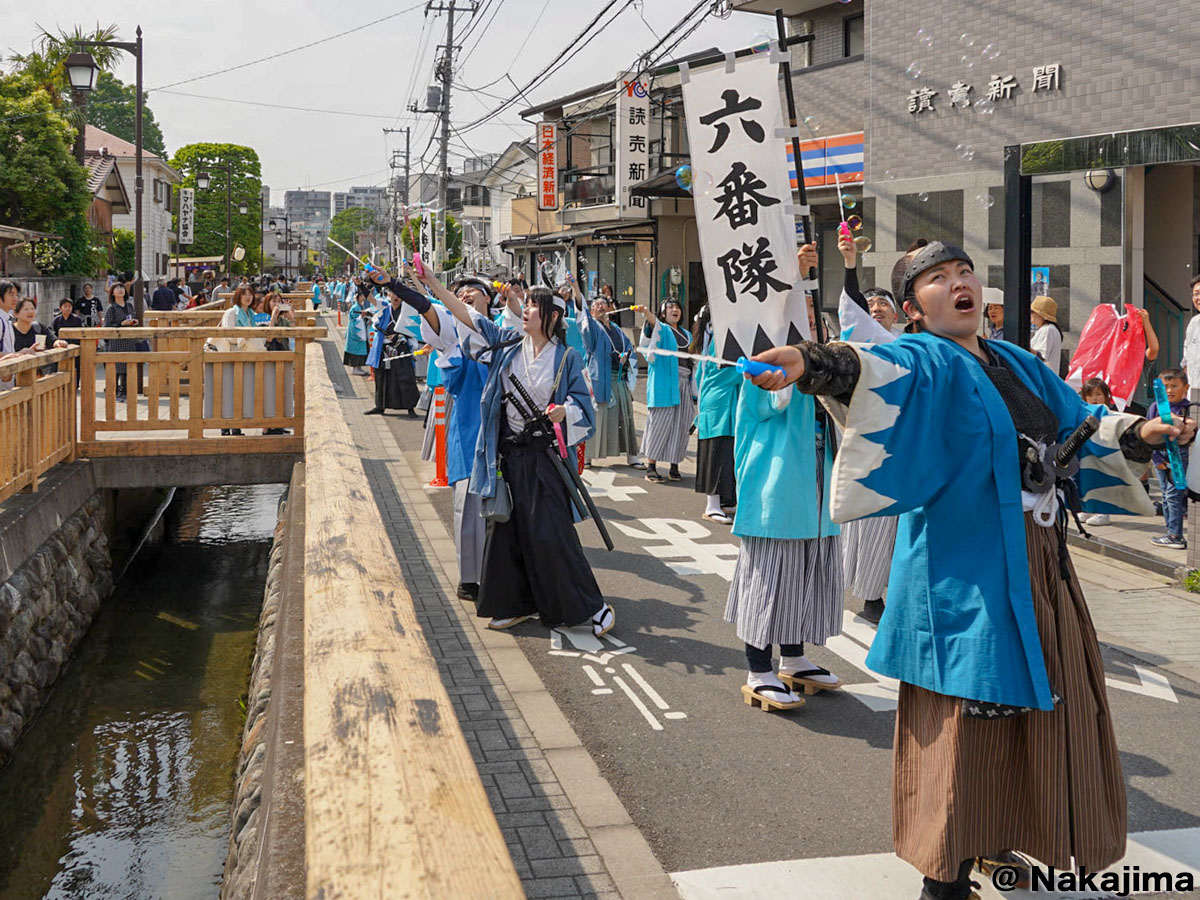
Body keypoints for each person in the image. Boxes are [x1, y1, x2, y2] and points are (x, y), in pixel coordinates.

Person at [746, 240, 1194, 900]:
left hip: (1039, 564)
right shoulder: (924, 356)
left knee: (1037, 715)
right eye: (937, 278)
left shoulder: (1014, 359)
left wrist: (1138, 433)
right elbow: (869, 367)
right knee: (965, 727)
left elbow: (1079, 422)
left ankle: (998, 837)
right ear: (913, 309)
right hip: (964, 571)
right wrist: (811, 363)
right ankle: (944, 877)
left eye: (963, 272)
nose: (959, 283)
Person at [385, 263, 614, 636]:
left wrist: (562, 411)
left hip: (545, 459)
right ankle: (516, 604)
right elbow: (465, 315)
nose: (525, 309)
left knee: (551, 533)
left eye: (534, 305)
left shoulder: (567, 358)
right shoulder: (506, 345)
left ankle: (592, 606)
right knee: (506, 531)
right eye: (525, 305)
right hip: (508, 455)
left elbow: (582, 407)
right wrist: (432, 285)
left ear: (553, 316)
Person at [836, 234, 901, 625]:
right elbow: (853, 314)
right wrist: (849, 267)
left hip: (905, 446)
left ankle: (892, 590)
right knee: (870, 524)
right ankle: (871, 594)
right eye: (870, 304)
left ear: (899, 315)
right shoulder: (864, 343)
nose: (876, 309)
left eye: (883, 304)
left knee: (898, 527)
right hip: (868, 443)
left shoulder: (910, 345)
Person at [417, 274, 493, 601]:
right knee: (469, 508)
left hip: (504, 437)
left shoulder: (504, 332)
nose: (465, 294)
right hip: (468, 431)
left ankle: (502, 573)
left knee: (502, 510)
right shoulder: (455, 341)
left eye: (472, 290)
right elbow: (431, 315)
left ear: (489, 298)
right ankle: (471, 578)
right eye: (458, 293)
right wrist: (420, 287)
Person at [579, 286, 642, 468]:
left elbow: (630, 347)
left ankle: (632, 456)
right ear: (591, 311)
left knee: (626, 418)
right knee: (598, 417)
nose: (601, 306)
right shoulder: (592, 328)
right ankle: (589, 456)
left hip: (619, 379)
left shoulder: (617, 329)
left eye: (604, 304)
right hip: (602, 380)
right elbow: (585, 328)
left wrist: (627, 356)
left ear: (610, 309)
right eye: (596, 304)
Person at [691, 304, 738, 523]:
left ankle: (725, 503)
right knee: (716, 455)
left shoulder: (714, 339)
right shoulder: (721, 341)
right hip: (719, 404)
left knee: (724, 454)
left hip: (719, 403)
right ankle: (712, 506)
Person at [638, 298, 693, 483]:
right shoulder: (660, 328)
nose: (675, 310)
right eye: (670, 307)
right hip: (664, 382)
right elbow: (653, 328)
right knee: (659, 423)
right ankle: (651, 466)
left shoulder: (687, 334)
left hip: (684, 382)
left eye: (677, 307)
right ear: (662, 312)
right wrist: (646, 313)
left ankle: (674, 465)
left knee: (681, 424)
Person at [364, 285, 421, 417]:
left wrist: (400, 335)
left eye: (399, 295)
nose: (396, 297)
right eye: (394, 294)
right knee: (381, 377)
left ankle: (410, 407)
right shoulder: (383, 307)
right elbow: (371, 299)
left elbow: (413, 331)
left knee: (405, 377)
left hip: (401, 347)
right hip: (383, 348)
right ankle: (380, 406)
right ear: (389, 295)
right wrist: (360, 286)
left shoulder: (407, 311)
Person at [1150, 367, 1190, 551]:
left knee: (1174, 496)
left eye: (1174, 386)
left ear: (1186, 387)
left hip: (1179, 458)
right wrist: (1157, 459)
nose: (1169, 390)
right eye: (1165, 386)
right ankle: (1170, 531)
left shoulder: (1188, 408)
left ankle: (1175, 535)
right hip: (1160, 458)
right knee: (1166, 496)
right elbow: (1148, 436)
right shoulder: (1155, 407)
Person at [102, 281, 141, 399]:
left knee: (128, 367)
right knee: (116, 368)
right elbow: (107, 326)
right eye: (117, 288)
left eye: (122, 288)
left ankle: (126, 390)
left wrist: (134, 323)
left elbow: (132, 317)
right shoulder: (111, 308)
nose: (120, 290)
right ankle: (113, 391)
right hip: (116, 342)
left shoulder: (129, 306)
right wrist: (120, 324)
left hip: (129, 340)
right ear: (112, 293)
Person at [1029, 295, 1063, 373]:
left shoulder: (1047, 330)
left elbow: (1041, 356)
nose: (1030, 315)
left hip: (1042, 378)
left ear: (1042, 315)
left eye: (1032, 312)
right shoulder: (1050, 329)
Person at [343, 287, 371, 375]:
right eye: (362, 296)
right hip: (355, 332)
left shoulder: (360, 305)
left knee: (360, 350)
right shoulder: (355, 307)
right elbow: (355, 319)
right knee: (356, 350)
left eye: (364, 296)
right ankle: (355, 368)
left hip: (360, 331)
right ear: (358, 296)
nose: (363, 298)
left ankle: (359, 367)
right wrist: (362, 317)